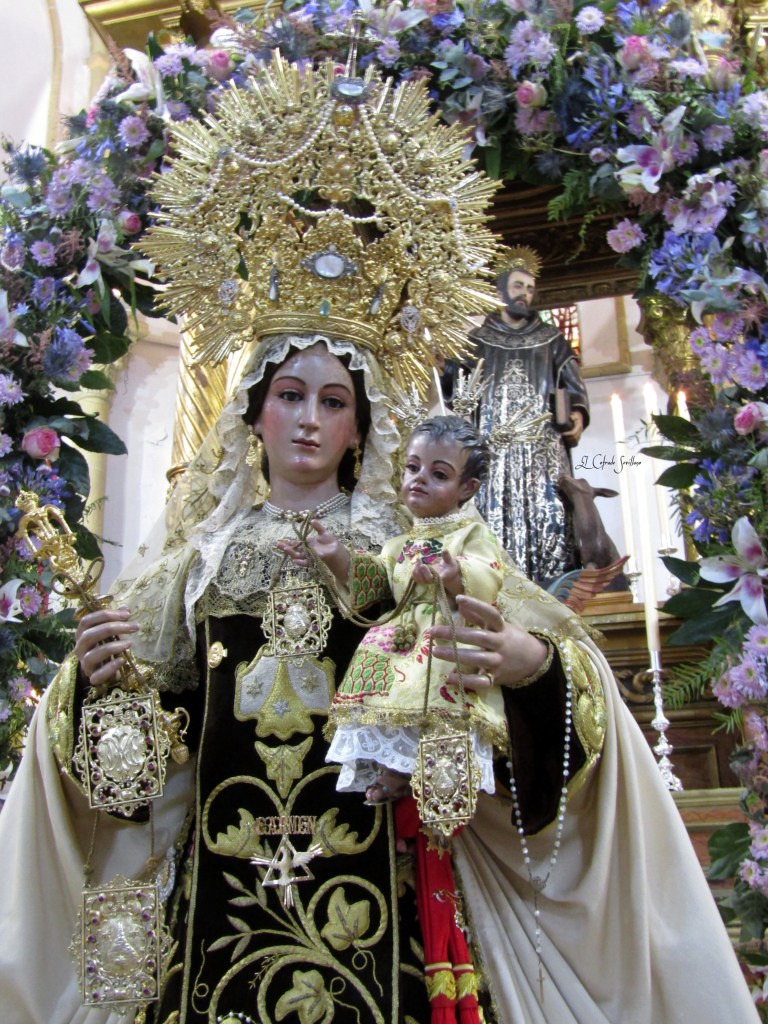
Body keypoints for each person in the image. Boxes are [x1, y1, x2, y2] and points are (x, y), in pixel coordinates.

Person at [0, 52, 760, 1024]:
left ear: (364, 422)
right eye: (289, 395)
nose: (308, 420)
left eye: (333, 400)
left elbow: (559, 698)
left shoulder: (424, 547)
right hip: (217, 926)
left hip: (394, 921)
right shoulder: (195, 568)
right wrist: (97, 687)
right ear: (253, 411)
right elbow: (141, 777)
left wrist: (531, 668)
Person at [279, 415, 508, 809]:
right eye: (413, 467)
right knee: (384, 704)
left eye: (439, 474)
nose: (419, 479)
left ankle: (438, 777)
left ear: (467, 488)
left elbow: (489, 574)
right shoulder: (399, 544)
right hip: (395, 644)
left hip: (443, 642)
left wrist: (455, 575)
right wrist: (336, 556)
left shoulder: (470, 534)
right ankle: (393, 768)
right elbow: (375, 583)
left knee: (439, 706)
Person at [465, 246, 590, 585]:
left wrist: (577, 413)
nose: (525, 294)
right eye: (518, 286)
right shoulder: (478, 341)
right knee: (492, 516)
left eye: (530, 289)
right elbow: (457, 388)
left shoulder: (552, 340)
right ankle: (495, 589)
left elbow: (573, 383)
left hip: (543, 452)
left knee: (552, 516)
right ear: (501, 290)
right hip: (495, 450)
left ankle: (554, 592)